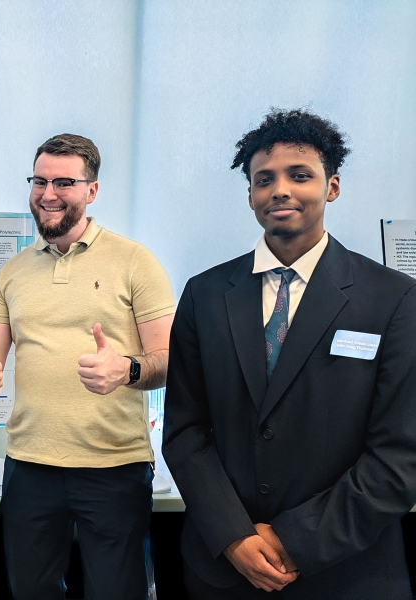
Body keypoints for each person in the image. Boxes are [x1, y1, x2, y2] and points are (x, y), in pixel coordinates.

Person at [162, 109, 416, 599]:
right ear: (251, 195)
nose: (280, 189)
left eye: (300, 175)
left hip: (347, 571)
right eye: (264, 179)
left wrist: (290, 540)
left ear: (332, 186)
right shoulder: (205, 294)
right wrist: (234, 536)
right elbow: (186, 431)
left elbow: (399, 455)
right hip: (225, 571)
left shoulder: (394, 299)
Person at [0, 133, 176, 599]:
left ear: (92, 190)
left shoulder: (135, 262)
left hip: (113, 466)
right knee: (31, 592)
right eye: (39, 181)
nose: (48, 194)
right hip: (29, 466)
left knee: (117, 593)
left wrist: (127, 369)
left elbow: (169, 359)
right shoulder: (12, 272)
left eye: (63, 182)